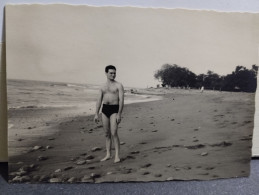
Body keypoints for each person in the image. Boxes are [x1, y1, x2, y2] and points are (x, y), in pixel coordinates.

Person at [94, 65, 124, 163]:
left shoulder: (118, 85)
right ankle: (108, 154)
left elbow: (121, 101)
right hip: (105, 109)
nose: (113, 75)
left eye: (114, 73)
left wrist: (119, 114)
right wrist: (96, 113)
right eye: (111, 73)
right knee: (107, 134)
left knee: (114, 132)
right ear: (106, 73)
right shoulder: (102, 86)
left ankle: (117, 156)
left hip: (114, 109)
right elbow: (99, 100)